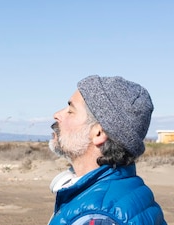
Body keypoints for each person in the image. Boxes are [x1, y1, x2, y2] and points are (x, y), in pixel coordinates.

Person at [48, 75, 167, 225]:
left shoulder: (97, 218)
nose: (57, 115)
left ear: (99, 133)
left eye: (71, 111)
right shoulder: (127, 188)